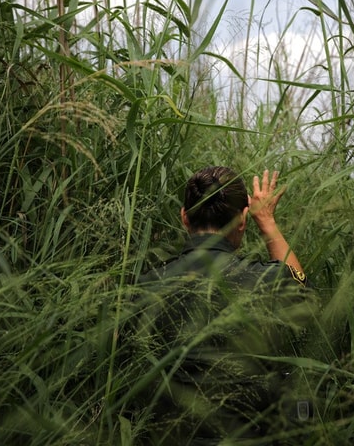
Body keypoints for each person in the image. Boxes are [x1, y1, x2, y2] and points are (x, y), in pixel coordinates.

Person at [128, 166, 315, 445]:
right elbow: (304, 293)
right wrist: (266, 221)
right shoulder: (264, 280)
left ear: (184, 217)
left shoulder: (146, 285)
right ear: (242, 220)